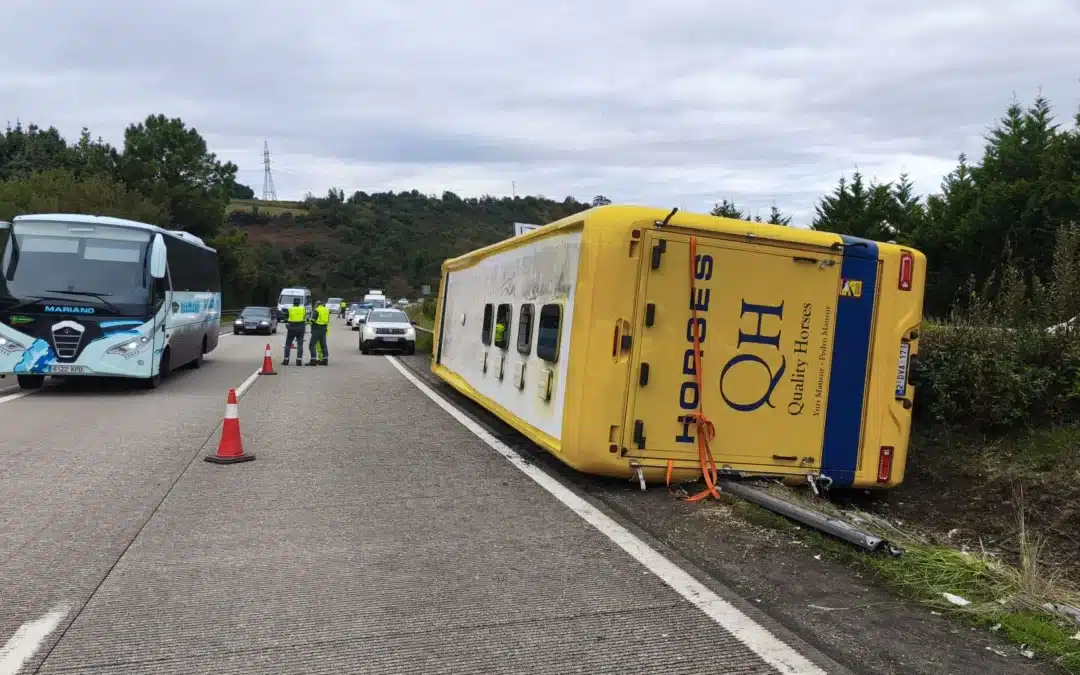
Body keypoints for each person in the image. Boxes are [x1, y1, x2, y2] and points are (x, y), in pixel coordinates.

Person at [282, 297, 306, 366]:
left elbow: (286, 317)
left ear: (293, 302)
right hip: (301, 328)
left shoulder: (290, 309)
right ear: (299, 303)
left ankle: (286, 360)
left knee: (288, 344)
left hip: (292, 328)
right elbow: (304, 317)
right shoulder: (303, 309)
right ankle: (299, 360)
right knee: (300, 345)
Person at [308, 300, 331, 366]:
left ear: (317, 305)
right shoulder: (326, 310)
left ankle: (313, 360)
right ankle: (325, 360)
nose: (314, 306)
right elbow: (328, 320)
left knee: (311, 345)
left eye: (315, 305)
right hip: (324, 329)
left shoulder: (317, 310)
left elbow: (312, 320)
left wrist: (309, 322)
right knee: (323, 345)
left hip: (316, 329)